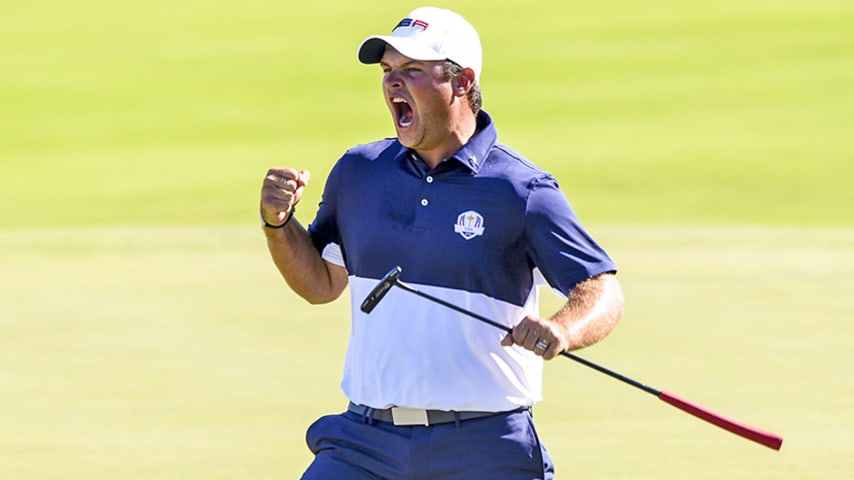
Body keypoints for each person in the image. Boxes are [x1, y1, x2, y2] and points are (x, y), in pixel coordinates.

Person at [260, 6, 624, 479]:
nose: (393, 82)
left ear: (462, 81)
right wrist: (278, 223)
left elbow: (601, 288)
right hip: (364, 441)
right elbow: (320, 283)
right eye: (388, 70)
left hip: (485, 444)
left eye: (412, 70)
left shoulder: (521, 190)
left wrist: (564, 330)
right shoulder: (359, 172)